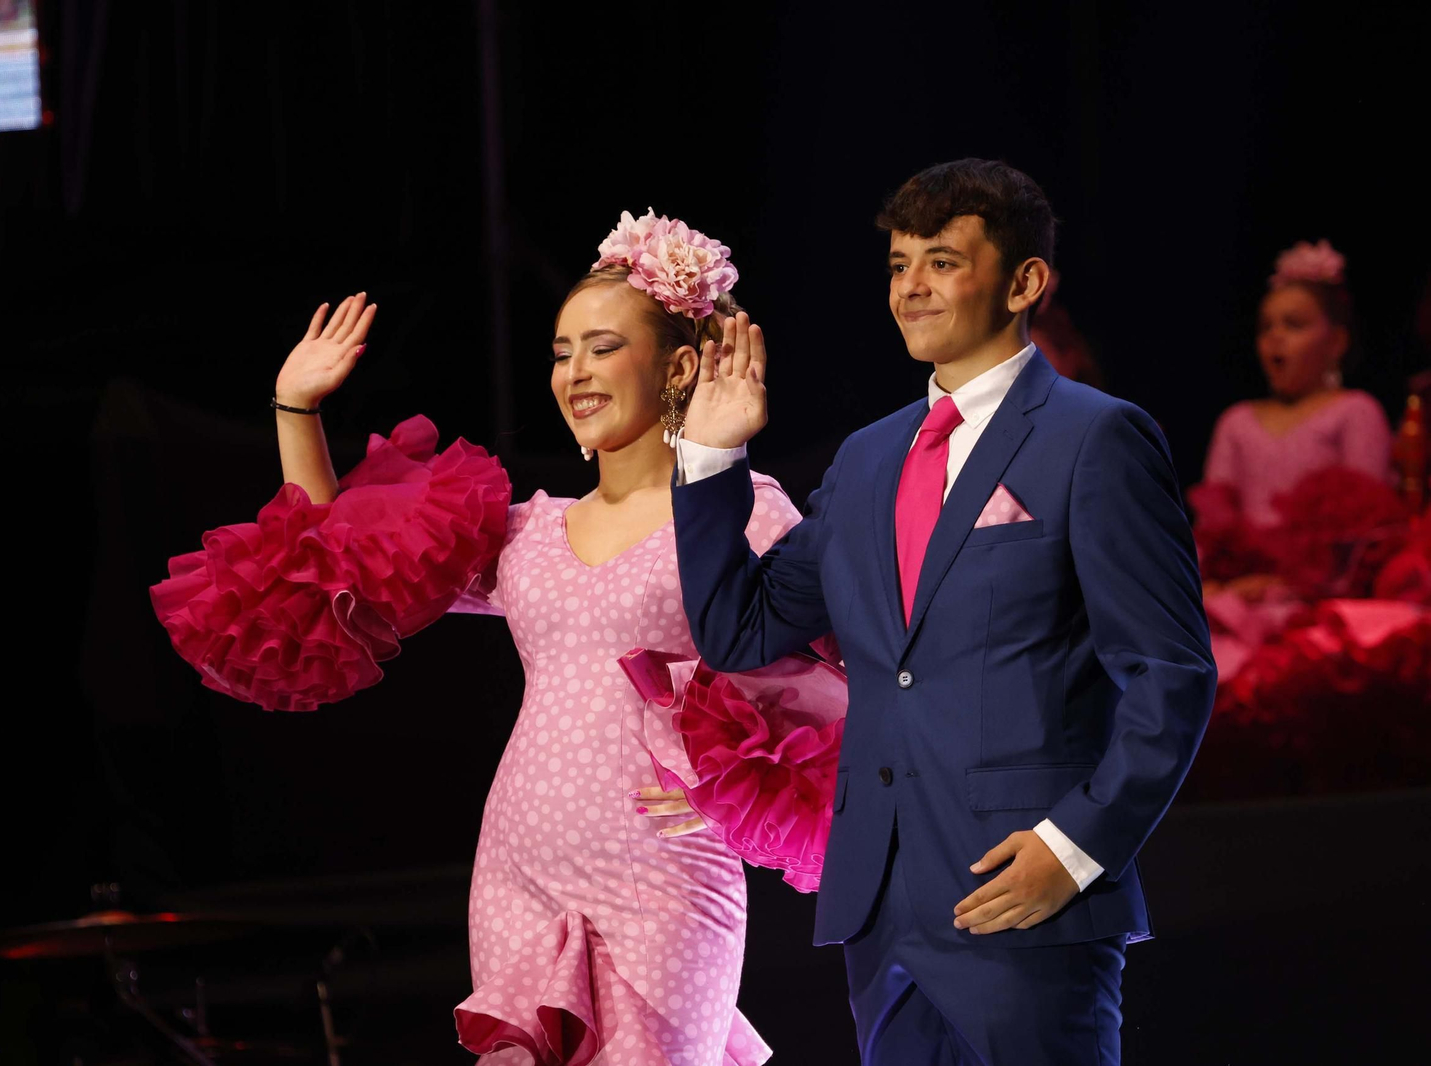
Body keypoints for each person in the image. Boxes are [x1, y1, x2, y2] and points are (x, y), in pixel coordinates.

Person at [150, 210, 841, 1065]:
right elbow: (340, 567)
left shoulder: (744, 508)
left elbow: (836, 685)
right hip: (520, 869)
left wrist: (729, 797)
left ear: (681, 365)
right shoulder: (528, 534)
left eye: (602, 347)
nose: (575, 373)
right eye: (561, 352)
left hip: (662, 874)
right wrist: (297, 410)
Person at [668, 159, 1215, 1064]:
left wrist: (1077, 848)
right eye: (896, 265)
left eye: (941, 261)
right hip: (882, 905)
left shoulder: (1096, 437)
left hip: (1026, 893)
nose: (910, 288)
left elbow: (1170, 675)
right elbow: (742, 630)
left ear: (1024, 281)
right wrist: (712, 460)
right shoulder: (868, 457)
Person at [1200, 239, 1392, 531]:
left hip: (1322, 573)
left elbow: (1362, 526)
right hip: (1238, 575)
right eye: (1266, 326)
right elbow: (1212, 528)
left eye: (1294, 324)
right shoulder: (1235, 421)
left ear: (1336, 342)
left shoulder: (1356, 411)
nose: (1275, 336)